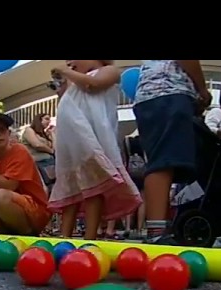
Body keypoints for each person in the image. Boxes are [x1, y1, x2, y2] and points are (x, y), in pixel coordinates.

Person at [47, 60, 141, 240]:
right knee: (71, 188)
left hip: (92, 138)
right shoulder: (75, 81)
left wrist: (66, 72)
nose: (69, 62)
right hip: (72, 143)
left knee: (94, 185)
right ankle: (65, 235)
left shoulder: (109, 71)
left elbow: (93, 85)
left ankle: (90, 237)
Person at [133, 60, 212, 244]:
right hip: (168, 91)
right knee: (163, 162)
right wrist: (202, 89)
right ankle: (157, 232)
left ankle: (159, 228)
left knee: (162, 161)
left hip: (153, 94)